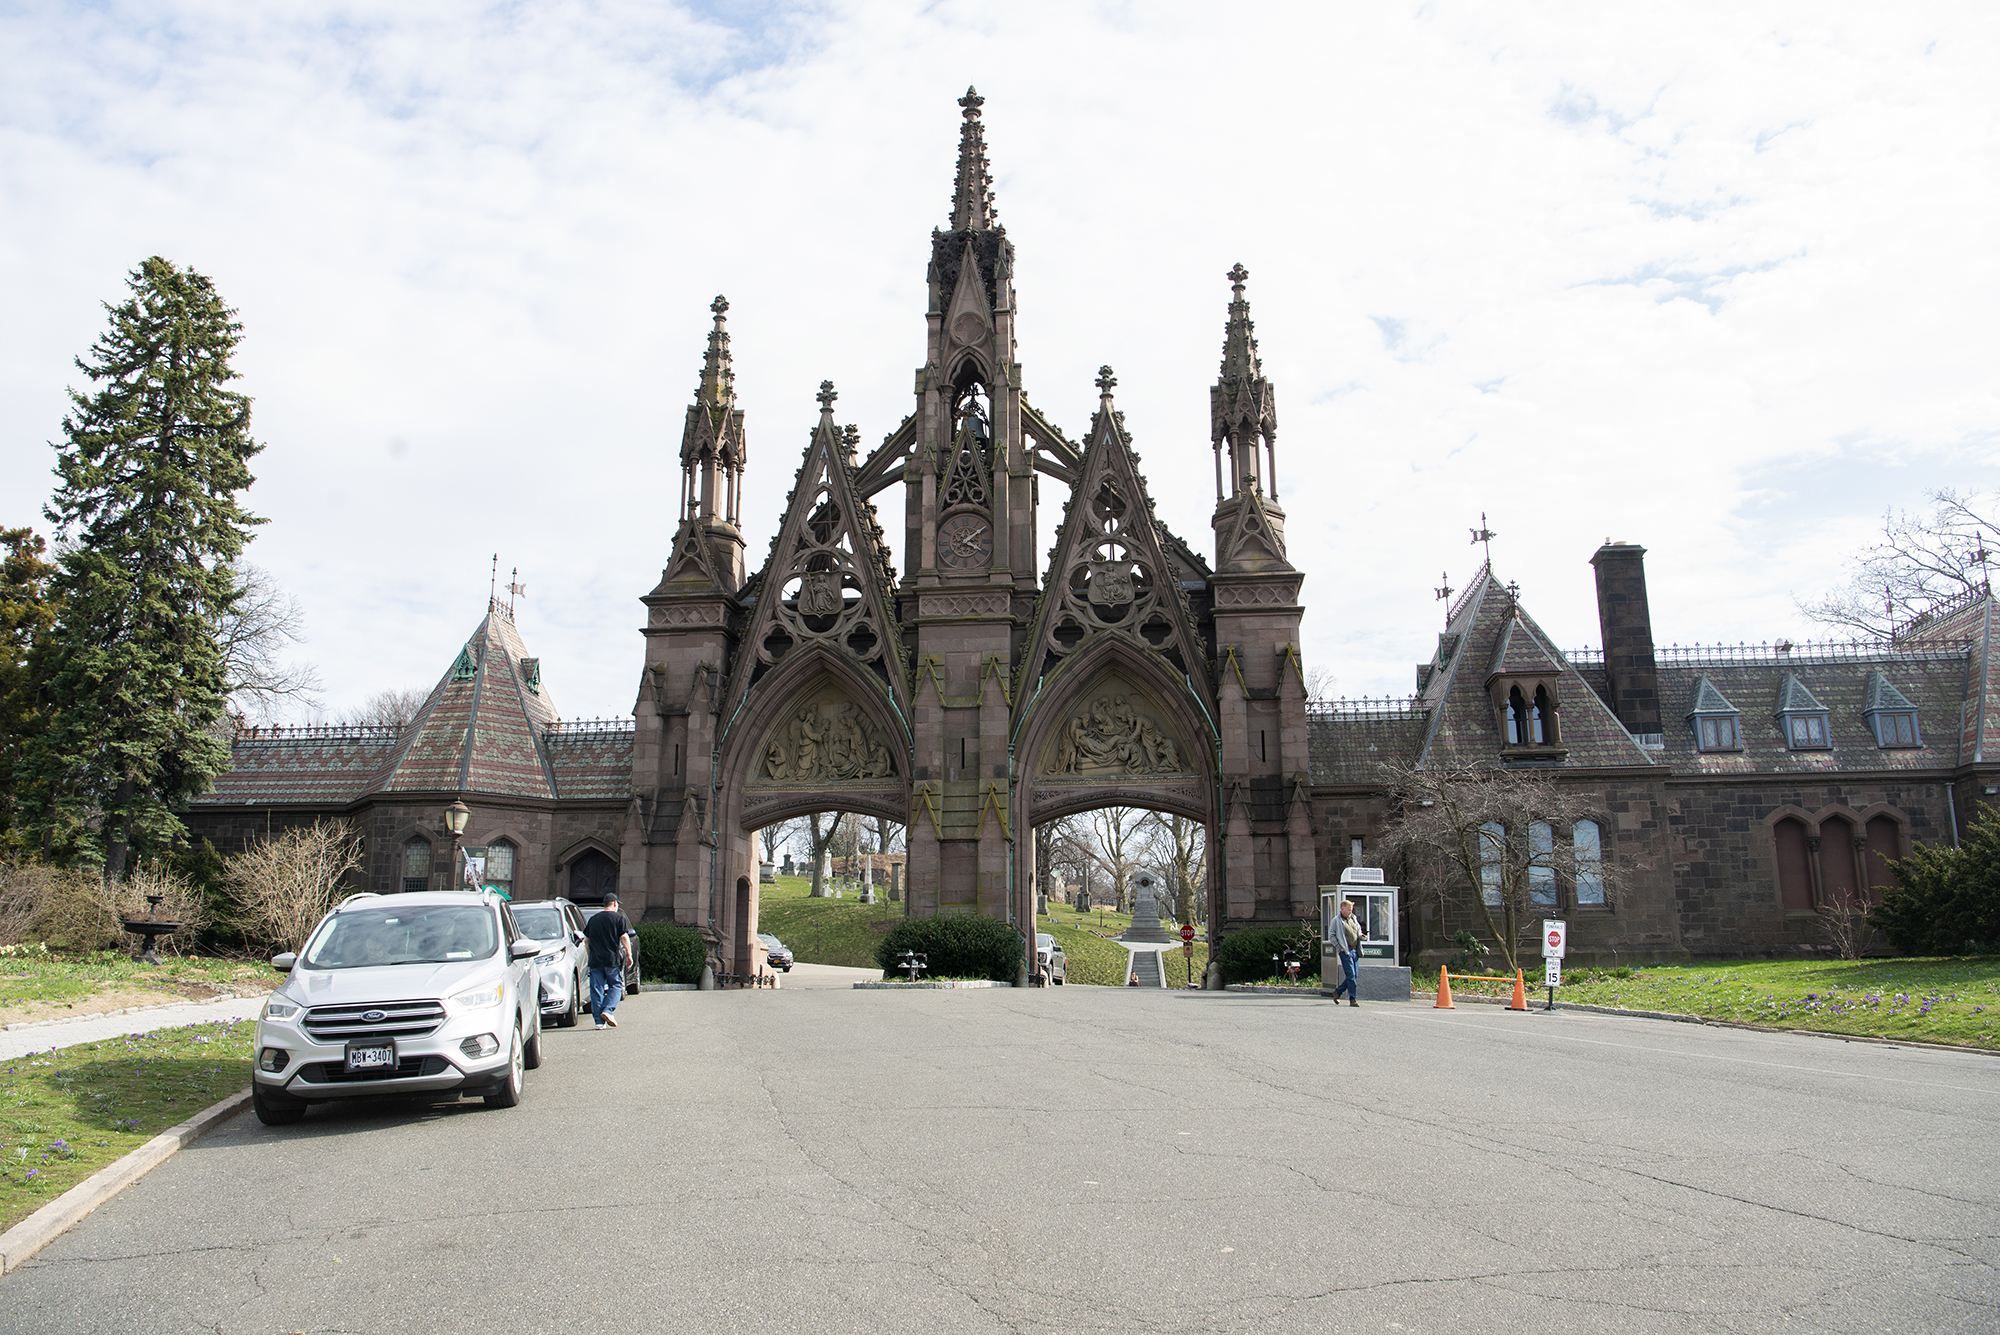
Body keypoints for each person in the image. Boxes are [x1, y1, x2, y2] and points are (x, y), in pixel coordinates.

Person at [583, 894, 635, 1029]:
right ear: (615, 904)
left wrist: (590, 956)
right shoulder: (618, 918)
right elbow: (624, 937)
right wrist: (629, 955)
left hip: (595, 960)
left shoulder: (593, 919)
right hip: (611, 959)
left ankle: (599, 1022)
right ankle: (608, 1010)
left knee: (596, 989)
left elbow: (586, 940)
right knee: (616, 985)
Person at [1330, 899, 1363, 1007]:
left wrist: (1361, 936)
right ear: (1342, 909)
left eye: (1351, 910)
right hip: (1346, 951)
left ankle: (1338, 992)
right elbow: (1332, 936)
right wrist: (1339, 948)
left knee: (1354, 975)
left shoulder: (1353, 918)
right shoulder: (1337, 920)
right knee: (1351, 975)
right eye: (1348, 910)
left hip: (1355, 950)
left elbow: (1358, 931)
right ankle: (1353, 999)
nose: (1350, 912)